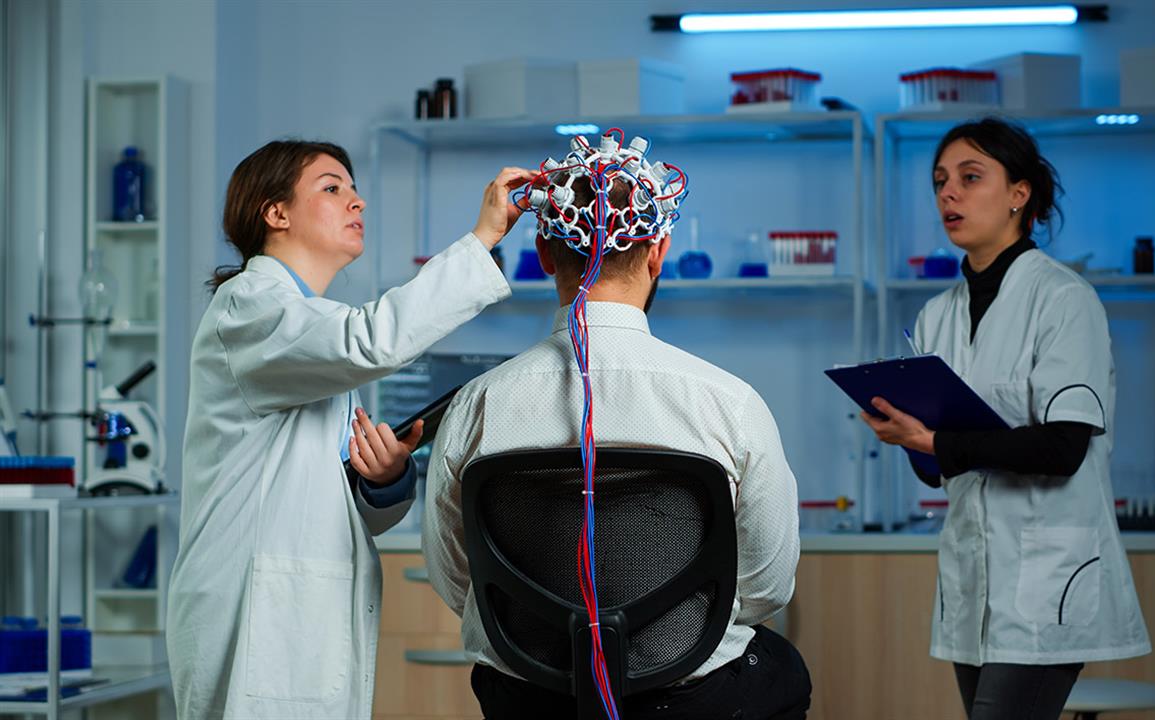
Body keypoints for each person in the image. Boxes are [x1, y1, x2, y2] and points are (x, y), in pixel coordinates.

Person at [422, 131, 811, 719]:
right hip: (687, 703)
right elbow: (766, 590)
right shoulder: (729, 403)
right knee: (781, 667)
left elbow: (459, 580)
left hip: (530, 702)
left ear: (545, 254)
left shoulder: (477, 406)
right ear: (658, 252)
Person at [166, 139, 533, 719]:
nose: (356, 202)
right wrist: (483, 237)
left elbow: (336, 507)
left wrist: (383, 478)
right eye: (332, 188)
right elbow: (370, 342)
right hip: (252, 609)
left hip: (296, 614)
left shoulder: (305, 330)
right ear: (276, 213)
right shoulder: (250, 307)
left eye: (355, 189)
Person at [860, 117, 1150, 720]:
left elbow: (1062, 449)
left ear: (1020, 194)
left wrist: (937, 440)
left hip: (1047, 577)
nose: (949, 193)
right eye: (940, 181)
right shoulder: (936, 317)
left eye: (970, 178)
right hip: (973, 580)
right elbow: (936, 472)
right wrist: (906, 434)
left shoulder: (1063, 299)